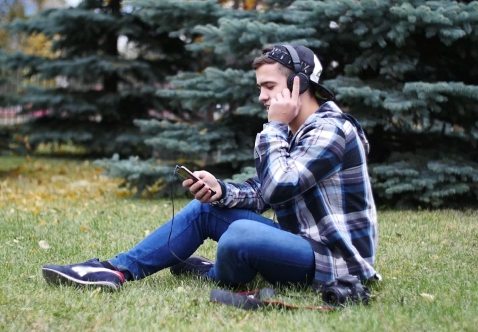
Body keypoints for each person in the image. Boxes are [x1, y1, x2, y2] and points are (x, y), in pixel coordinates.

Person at [41, 44, 380, 292]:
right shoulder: (295, 132)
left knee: (240, 237)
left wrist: (273, 129)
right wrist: (222, 190)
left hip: (336, 261)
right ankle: (114, 270)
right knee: (205, 210)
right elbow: (264, 192)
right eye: (260, 87)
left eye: (269, 87)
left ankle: (212, 273)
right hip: (298, 242)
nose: (262, 97)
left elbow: (280, 186)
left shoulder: (331, 129)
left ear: (299, 85)